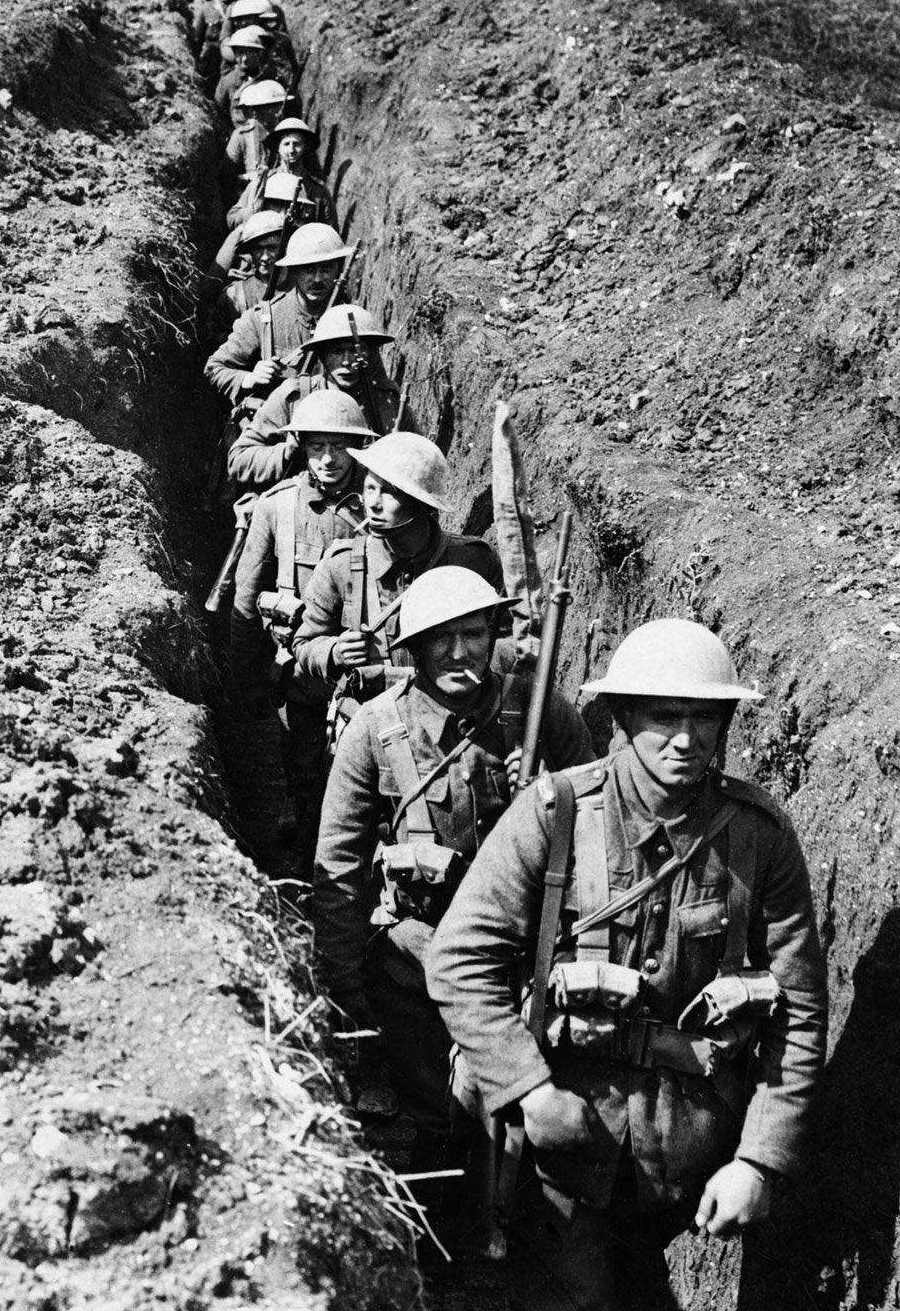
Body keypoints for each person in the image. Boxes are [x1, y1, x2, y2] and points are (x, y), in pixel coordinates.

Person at [426, 619, 828, 1311]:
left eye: (705, 719)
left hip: (683, 1160)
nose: (686, 739)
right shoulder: (553, 815)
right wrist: (529, 1091)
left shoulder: (759, 838)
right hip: (561, 1145)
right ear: (619, 718)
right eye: (663, 717)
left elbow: (798, 1013)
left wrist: (760, 1161)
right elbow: (459, 959)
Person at [314, 565, 596, 1245]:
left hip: (522, 962)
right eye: (442, 640)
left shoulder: (538, 714)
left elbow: (597, 829)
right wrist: (342, 983)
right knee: (437, 1114)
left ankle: (516, 1236)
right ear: (412, 649)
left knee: (517, 1107)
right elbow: (340, 866)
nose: (462, 654)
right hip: (418, 965)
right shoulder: (377, 733)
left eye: (475, 634)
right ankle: (438, 1241)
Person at [229, 388, 377, 862]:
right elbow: (246, 600)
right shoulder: (278, 507)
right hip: (300, 665)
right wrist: (248, 678)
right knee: (304, 761)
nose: (329, 459)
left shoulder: (382, 501)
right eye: (317, 447)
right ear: (301, 448)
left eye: (340, 446)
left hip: (366, 661)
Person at [292, 432, 503, 750]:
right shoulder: (341, 564)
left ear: (421, 501)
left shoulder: (472, 560)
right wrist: (334, 651)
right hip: (370, 729)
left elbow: (507, 641)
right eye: (370, 488)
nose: (373, 503)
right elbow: (304, 643)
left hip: (456, 726)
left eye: (388, 492)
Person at [227, 304, 401, 489]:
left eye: (356, 351)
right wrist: (287, 452)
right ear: (321, 355)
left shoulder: (387, 402)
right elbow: (239, 459)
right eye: (336, 351)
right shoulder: (295, 396)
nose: (347, 361)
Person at [203, 222, 356, 429]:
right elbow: (215, 368)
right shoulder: (263, 319)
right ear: (293, 271)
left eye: (326, 269)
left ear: (339, 269)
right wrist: (250, 378)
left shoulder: (352, 321)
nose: (318, 278)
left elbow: (374, 382)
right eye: (309, 270)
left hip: (335, 431)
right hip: (276, 434)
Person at [226, 118, 330, 230]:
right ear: (278, 147)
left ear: (306, 147)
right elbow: (232, 217)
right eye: (286, 144)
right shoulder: (263, 182)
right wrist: (251, 212)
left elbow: (330, 232)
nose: (291, 150)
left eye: (296, 144)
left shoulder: (318, 191)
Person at [215, 208, 290, 317]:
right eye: (258, 249)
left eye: (272, 248)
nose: (265, 257)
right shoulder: (235, 296)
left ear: (284, 247)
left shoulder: (302, 289)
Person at [223, 80, 290, 194]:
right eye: (269, 107)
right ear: (255, 111)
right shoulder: (242, 136)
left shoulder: (288, 134)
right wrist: (245, 178)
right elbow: (226, 177)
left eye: (278, 105)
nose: (276, 112)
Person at [214, 26, 275, 127]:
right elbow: (218, 111)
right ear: (234, 54)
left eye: (249, 52)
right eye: (240, 52)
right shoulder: (228, 81)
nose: (245, 58)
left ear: (258, 53)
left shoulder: (268, 77)